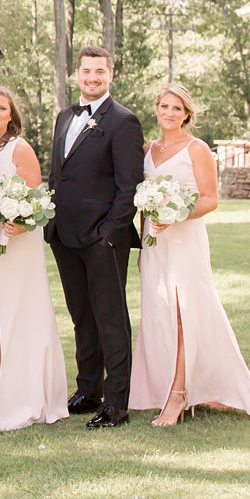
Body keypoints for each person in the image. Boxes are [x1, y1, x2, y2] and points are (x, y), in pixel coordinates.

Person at [129, 84, 250, 426]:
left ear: (186, 114)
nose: (169, 113)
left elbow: (209, 199)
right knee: (160, 314)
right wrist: (145, 240)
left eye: (176, 108)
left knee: (185, 314)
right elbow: (144, 201)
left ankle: (178, 396)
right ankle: (183, 384)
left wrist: (174, 214)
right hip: (155, 243)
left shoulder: (197, 149)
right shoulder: (147, 149)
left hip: (185, 241)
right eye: (164, 106)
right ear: (156, 109)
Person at [46, 46, 145, 430]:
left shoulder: (123, 121)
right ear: (77, 74)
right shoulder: (64, 116)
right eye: (86, 71)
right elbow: (59, 174)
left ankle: (116, 402)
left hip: (102, 238)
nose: (92, 77)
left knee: (110, 319)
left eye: (99, 71)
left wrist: (109, 234)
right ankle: (88, 390)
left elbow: (129, 186)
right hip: (64, 235)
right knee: (81, 317)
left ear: (110, 74)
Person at [0, 88, 68, 431]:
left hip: (15, 242)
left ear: (11, 115)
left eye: (2, 108)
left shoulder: (19, 148)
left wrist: (20, 221)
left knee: (7, 317)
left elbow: (39, 200)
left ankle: (19, 399)